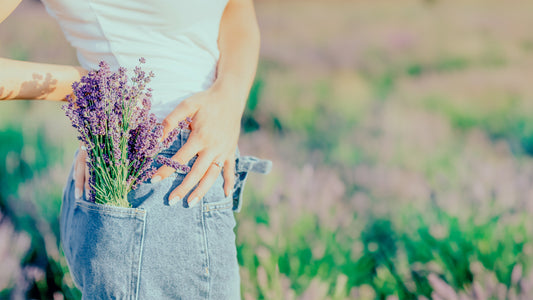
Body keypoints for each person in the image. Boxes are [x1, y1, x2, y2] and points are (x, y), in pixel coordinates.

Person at [0, 0, 271, 298]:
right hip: (152, 188)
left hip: (175, 187)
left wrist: (229, 96)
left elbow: (235, 6)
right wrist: (92, 86)